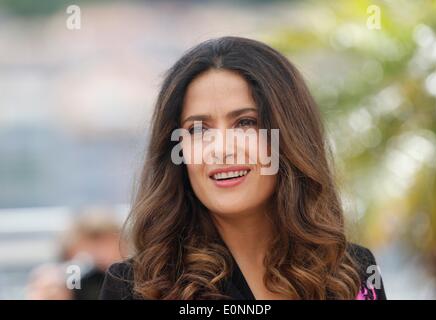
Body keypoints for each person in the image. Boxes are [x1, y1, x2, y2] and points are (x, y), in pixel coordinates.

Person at [100, 36, 386, 300]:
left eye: (246, 123)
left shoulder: (352, 275)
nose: (222, 149)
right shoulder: (136, 288)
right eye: (198, 129)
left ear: (289, 136)